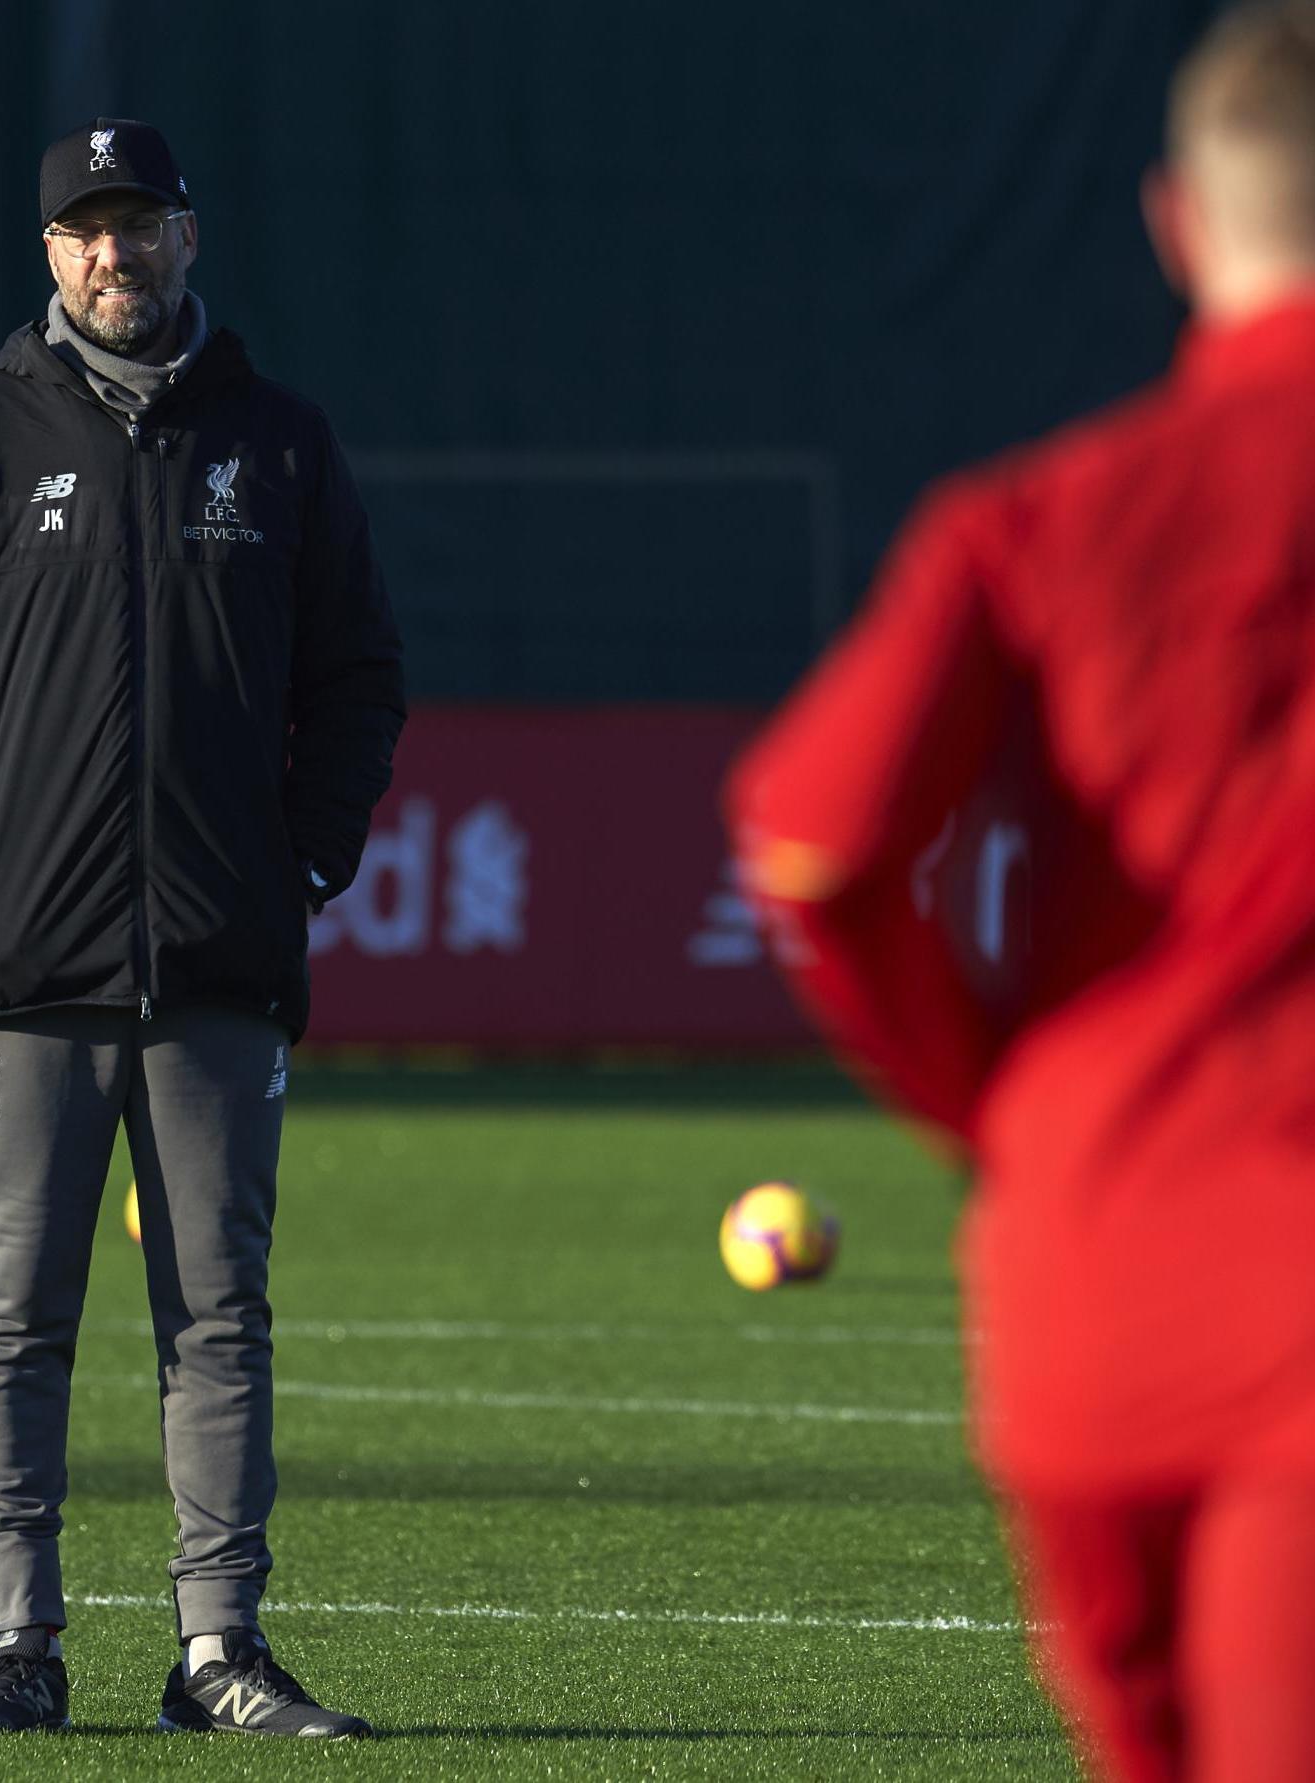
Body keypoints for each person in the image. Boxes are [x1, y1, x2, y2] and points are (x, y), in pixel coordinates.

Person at [729, 6, 1315, 1777]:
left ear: (1174, 224)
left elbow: (812, 849)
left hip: (1094, 1288)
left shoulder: (1036, 520)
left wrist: (989, 1096)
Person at [0, 117, 403, 1739]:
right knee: (16, 1319)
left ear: (185, 236)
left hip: (218, 963)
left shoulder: (276, 443)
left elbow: (357, 675)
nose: (113, 252)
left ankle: (216, 1652)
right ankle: (20, 1648)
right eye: (84, 228)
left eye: (138, 221)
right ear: (47, 254)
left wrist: (300, 866)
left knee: (216, 1314)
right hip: (24, 968)